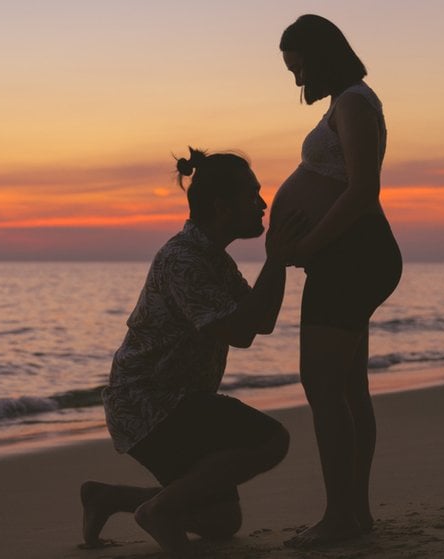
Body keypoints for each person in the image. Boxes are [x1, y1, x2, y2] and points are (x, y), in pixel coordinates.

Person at [80, 147, 305, 552]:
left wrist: (279, 261)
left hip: (178, 401)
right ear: (222, 207)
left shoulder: (213, 258)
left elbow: (261, 322)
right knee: (271, 441)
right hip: (151, 403)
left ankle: (109, 498)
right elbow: (239, 332)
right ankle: (157, 511)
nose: (262, 204)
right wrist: (275, 260)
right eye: (252, 195)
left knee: (221, 521)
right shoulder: (184, 260)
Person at [270, 15, 403, 548]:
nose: (297, 80)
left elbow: (363, 190)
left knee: (323, 386)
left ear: (323, 56)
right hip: (346, 255)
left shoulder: (353, 103)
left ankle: (339, 516)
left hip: (354, 255)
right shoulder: (345, 102)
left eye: (299, 67)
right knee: (347, 388)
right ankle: (355, 512)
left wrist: (307, 246)